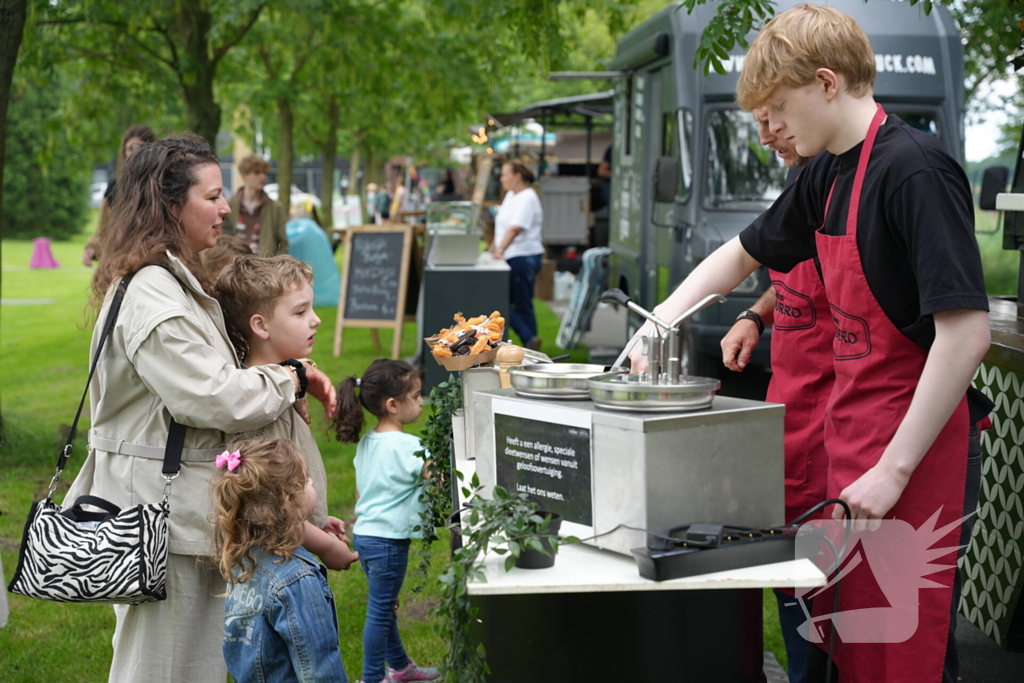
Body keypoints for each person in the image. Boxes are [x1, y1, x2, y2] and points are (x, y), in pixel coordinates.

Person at [630, 6, 990, 682]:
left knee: (903, 649)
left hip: (910, 456)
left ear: (827, 82)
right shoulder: (827, 174)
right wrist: (660, 321)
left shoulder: (914, 171)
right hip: (850, 450)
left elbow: (965, 334)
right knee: (844, 641)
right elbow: (741, 252)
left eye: (777, 109)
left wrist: (895, 469)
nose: (771, 130)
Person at [63, 134, 336, 683]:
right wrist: (289, 377)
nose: (226, 207)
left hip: (177, 510)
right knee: (162, 670)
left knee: (193, 666)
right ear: (170, 205)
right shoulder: (152, 293)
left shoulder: (170, 281)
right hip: (157, 517)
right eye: (211, 197)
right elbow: (211, 395)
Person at [718, 108, 828, 683]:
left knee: (838, 594)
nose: (766, 136)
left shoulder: (861, 190)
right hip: (787, 413)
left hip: (836, 429)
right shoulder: (799, 183)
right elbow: (780, 274)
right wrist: (754, 316)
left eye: (775, 118)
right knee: (790, 572)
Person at [215, 253, 359, 570]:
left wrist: (317, 520)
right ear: (261, 325)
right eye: (300, 311)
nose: (316, 319)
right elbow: (269, 511)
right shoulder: (260, 411)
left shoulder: (280, 392)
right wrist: (325, 548)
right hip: (277, 565)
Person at [333, 359, 440, 683]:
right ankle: (371, 677)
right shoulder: (408, 446)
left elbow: (358, 493)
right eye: (417, 396)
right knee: (379, 613)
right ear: (393, 404)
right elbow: (440, 480)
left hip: (367, 536)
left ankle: (401, 668)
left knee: (385, 607)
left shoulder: (369, 441)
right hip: (389, 542)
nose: (422, 402)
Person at [213, 437, 350, 683]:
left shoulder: (242, 563)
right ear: (289, 500)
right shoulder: (297, 580)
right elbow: (320, 670)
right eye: (306, 481)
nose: (312, 483)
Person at [82, 124, 156, 266]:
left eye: (139, 148)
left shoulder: (161, 185)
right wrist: (92, 248)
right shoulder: (115, 186)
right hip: (120, 260)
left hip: (153, 258)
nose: (134, 153)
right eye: (129, 149)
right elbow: (103, 228)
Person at [491, 160, 545, 350]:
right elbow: (503, 228)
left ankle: (529, 340)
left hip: (523, 256)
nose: (501, 178)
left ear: (517, 176)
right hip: (511, 256)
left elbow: (515, 229)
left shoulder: (527, 197)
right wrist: (493, 249)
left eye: (505, 174)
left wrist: (500, 250)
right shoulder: (511, 196)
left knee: (510, 302)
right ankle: (530, 342)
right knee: (517, 302)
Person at [222, 154, 289, 256]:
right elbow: (224, 238)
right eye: (257, 173)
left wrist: (275, 267)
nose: (263, 177)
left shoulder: (275, 208)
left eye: (264, 173)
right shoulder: (229, 206)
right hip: (235, 266)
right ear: (244, 176)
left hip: (264, 267)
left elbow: (283, 243)